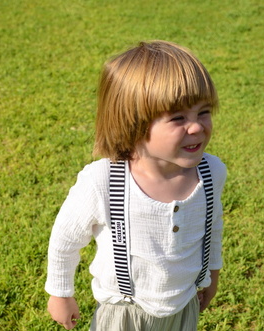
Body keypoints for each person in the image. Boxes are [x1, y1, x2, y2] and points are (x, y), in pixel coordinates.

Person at [45, 40, 227, 330]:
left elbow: (212, 226)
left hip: (183, 308)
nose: (196, 127)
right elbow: (65, 241)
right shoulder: (103, 182)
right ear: (134, 124)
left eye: (203, 112)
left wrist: (210, 275)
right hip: (124, 314)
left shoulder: (211, 172)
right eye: (178, 117)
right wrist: (60, 293)